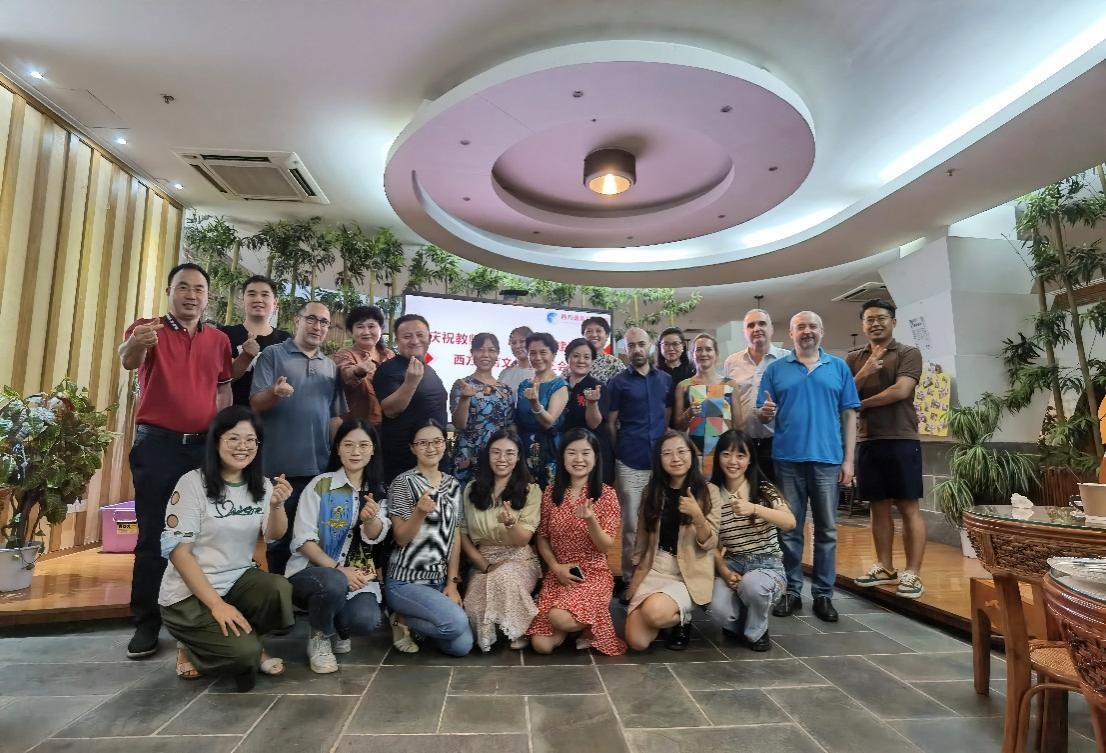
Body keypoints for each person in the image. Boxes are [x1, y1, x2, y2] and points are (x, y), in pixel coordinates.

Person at [118, 262, 233, 659]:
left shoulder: (218, 340)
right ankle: (146, 621)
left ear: (208, 297)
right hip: (158, 446)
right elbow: (128, 360)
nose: (191, 295)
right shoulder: (147, 329)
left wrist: (221, 438)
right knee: (153, 534)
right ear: (169, 292)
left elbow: (223, 391)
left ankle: (195, 614)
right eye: (183, 287)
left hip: (202, 449)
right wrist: (137, 343)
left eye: (199, 289)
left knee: (202, 533)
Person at [158, 406, 294, 692]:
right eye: (233, 438)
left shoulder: (262, 485)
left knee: (278, 589)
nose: (243, 446)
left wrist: (277, 506)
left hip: (236, 581)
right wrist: (217, 605)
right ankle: (192, 647)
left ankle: (249, 642)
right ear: (216, 440)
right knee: (242, 657)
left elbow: (274, 535)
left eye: (250, 440)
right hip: (187, 594)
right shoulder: (192, 483)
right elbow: (179, 554)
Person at [757, 311, 859, 622]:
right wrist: (764, 412)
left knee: (827, 530)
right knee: (789, 530)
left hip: (828, 461)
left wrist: (849, 460)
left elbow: (850, 416)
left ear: (822, 331)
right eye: (800, 327)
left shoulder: (838, 368)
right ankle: (791, 591)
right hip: (787, 460)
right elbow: (762, 413)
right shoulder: (775, 370)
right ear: (791, 334)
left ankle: (824, 595)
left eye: (812, 326)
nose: (807, 331)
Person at [286, 418, 391, 673]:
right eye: (348, 444)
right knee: (333, 582)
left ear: (373, 450)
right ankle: (319, 637)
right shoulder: (321, 485)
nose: (356, 451)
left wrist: (370, 520)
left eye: (363, 445)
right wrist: (338, 570)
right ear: (338, 449)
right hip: (312, 572)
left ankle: (336, 625)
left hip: (357, 575)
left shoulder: (377, 491)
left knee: (366, 620)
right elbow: (303, 540)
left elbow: (376, 536)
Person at [250, 301, 347, 574]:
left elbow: (335, 418)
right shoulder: (273, 355)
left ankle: (305, 592)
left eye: (324, 322)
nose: (317, 327)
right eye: (311, 319)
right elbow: (256, 402)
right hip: (279, 469)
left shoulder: (331, 367)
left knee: (312, 538)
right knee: (278, 540)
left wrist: (339, 463)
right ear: (297, 320)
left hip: (319, 470)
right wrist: (275, 392)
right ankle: (279, 593)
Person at [846, 299, 926, 598]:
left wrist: (860, 404)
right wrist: (865, 371)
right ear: (862, 325)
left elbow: (901, 391)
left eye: (881, 318)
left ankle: (913, 573)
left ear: (893, 321)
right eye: (869, 319)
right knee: (877, 506)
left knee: (908, 506)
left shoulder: (907, 353)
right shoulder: (853, 358)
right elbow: (842, 393)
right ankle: (884, 566)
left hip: (902, 438)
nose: (875, 323)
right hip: (867, 440)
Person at [528, 428, 626, 656]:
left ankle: (580, 622)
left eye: (585, 453)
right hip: (560, 572)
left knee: (558, 617)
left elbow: (605, 546)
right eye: (572, 453)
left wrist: (591, 520)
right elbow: (542, 537)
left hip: (593, 573)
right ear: (563, 457)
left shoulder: (607, 495)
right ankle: (579, 626)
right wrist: (555, 568)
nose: (578, 459)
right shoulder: (551, 493)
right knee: (541, 646)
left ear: (595, 458)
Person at [383, 420, 473, 656]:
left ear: (445, 444)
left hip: (438, 581)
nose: (431, 448)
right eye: (423, 443)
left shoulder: (453, 485)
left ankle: (411, 622)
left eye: (436, 442)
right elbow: (401, 538)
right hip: (406, 581)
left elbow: (454, 535)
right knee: (456, 624)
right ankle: (399, 618)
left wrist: (452, 584)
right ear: (413, 448)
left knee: (462, 646)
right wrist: (419, 512)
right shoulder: (403, 482)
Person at [625, 430, 720, 651]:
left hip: (688, 571)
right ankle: (665, 613)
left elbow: (710, 543)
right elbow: (641, 537)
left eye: (681, 452)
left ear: (691, 455)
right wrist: (636, 571)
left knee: (654, 612)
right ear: (659, 460)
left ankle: (681, 619)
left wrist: (697, 516)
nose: (675, 458)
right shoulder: (652, 491)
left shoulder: (709, 491)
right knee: (637, 642)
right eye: (667, 453)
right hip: (656, 565)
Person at [708, 430, 795, 651]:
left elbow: (790, 522)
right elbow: (712, 545)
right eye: (726, 454)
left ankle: (758, 630)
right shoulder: (712, 494)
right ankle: (743, 619)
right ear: (718, 457)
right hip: (733, 563)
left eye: (740, 455)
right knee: (718, 611)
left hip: (768, 564)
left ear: (749, 460)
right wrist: (724, 572)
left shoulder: (763, 489)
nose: (733, 461)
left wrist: (755, 508)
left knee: (753, 586)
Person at [459, 429, 543, 652]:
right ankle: (503, 626)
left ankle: (524, 628)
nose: (502, 458)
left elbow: (523, 539)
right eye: (496, 452)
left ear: (518, 457)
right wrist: (484, 565)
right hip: (483, 560)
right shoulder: (471, 490)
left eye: (509, 453)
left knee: (503, 577)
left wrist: (511, 525)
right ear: (488, 455)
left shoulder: (531, 491)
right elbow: (463, 534)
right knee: (474, 605)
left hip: (519, 559)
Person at [608, 327, 672, 588]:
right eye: (632, 345)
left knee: (660, 521)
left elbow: (667, 417)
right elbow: (611, 423)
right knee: (632, 524)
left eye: (641, 344)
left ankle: (656, 575)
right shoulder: (617, 383)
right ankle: (629, 578)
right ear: (625, 349)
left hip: (661, 464)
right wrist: (620, 451)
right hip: (629, 461)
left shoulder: (665, 380)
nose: (637, 349)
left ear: (650, 345)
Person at [373, 314, 448, 484]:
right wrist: (411, 382)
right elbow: (391, 410)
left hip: (435, 462)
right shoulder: (388, 369)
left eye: (420, 335)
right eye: (407, 336)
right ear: (397, 341)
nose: (414, 341)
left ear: (429, 338)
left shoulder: (429, 370)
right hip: (403, 466)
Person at [723, 309, 790, 483]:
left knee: (777, 494)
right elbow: (727, 404)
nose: (756, 328)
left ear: (771, 329)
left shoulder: (787, 359)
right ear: (744, 332)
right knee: (744, 494)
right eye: (751, 325)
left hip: (778, 442)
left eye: (762, 323)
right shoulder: (732, 362)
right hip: (743, 443)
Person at [449, 333, 515, 484]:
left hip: (498, 456)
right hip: (468, 453)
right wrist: (465, 398)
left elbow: (510, 426)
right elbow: (459, 425)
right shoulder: (462, 385)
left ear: (497, 354)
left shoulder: (506, 390)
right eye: (480, 349)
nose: (486, 354)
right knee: (466, 495)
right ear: (472, 353)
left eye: (491, 350)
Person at [673, 333, 741, 477]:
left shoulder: (730, 385)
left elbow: (738, 427)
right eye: (698, 349)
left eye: (708, 349)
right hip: (693, 455)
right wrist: (689, 413)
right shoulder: (683, 386)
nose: (703, 353)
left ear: (716, 354)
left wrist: (735, 454)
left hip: (723, 454)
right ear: (692, 355)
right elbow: (678, 427)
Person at [221, 275, 291, 408]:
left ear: (275, 302)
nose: (258, 299)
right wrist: (245, 357)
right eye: (252, 294)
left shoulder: (286, 340)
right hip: (231, 414)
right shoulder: (224, 335)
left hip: (271, 415)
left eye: (265, 295)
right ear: (243, 299)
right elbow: (221, 379)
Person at [515, 332, 569, 487]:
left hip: (549, 450)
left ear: (553, 355)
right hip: (524, 448)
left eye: (543, 352)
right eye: (532, 353)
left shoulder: (559, 385)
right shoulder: (524, 385)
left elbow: (548, 422)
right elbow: (518, 419)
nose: (537, 357)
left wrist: (535, 403)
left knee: (548, 495)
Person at [562, 337, 614, 483]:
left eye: (586, 357)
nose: (581, 361)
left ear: (592, 361)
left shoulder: (598, 388)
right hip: (567, 452)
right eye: (576, 356)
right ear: (567, 358)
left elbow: (594, 424)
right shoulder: (559, 386)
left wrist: (592, 403)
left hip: (594, 453)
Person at [333, 305, 395, 427]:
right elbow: (345, 374)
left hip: (389, 424)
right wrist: (358, 371)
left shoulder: (389, 355)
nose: (366, 332)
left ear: (381, 329)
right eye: (360, 327)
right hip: (358, 426)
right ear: (350, 332)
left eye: (371, 326)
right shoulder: (345, 354)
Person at [561, 317, 623, 384]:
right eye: (589, 331)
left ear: (607, 335)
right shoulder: (574, 364)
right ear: (583, 335)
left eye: (598, 331)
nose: (594, 335)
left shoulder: (615, 364)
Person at [656, 326, 696, 409]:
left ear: (683, 346)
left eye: (675, 344)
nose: (671, 348)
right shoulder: (654, 373)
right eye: (666, 344)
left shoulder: (693, 370)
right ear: (660, 347)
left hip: (689, 415)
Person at [498, 326, 535, 405]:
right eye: (514, 343)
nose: (517, 346)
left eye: (522, 341)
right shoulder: (505, 373)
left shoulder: (540, 373)